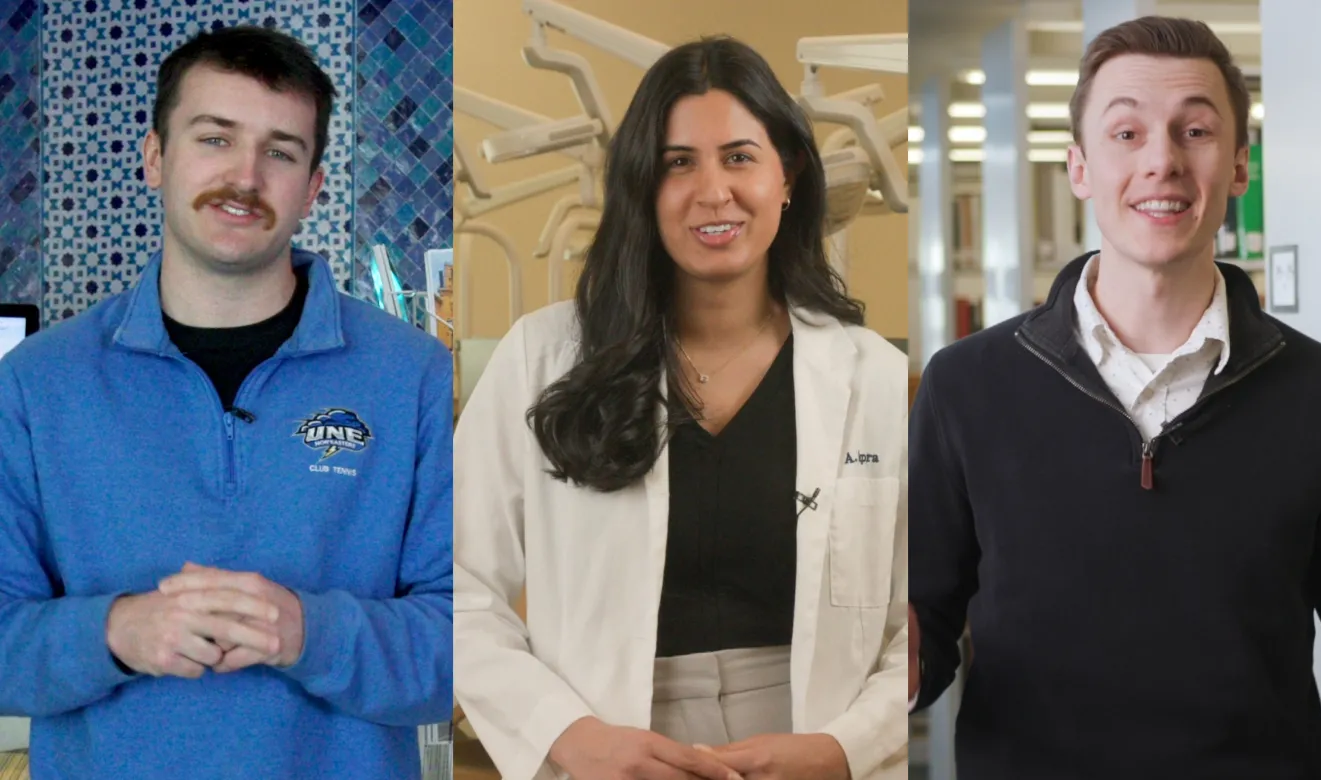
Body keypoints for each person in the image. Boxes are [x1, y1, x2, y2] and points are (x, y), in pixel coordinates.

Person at [909, 15, 1321, 778]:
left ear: (1241, 167)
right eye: (1126, 134)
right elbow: (923, 635)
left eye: (1196, 132)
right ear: (1079, 168)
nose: (1162, 161)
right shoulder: (965, 386)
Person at [0, 25, 454, 779]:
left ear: (312, 186)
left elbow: (467, 649)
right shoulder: (34, 383)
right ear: (155, 157)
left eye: (280, 151)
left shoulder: (413, 378)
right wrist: (113, 632)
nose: (245, 177)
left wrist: (312, 631)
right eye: (214, 139)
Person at [453, 36, 908, 780]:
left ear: (787, 175)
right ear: (642, 187)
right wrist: (570, 736)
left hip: (813, 743)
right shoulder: (540, 359)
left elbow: (918, 621)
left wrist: (842, 748)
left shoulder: (876, 380)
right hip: (613, 746)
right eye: (678, 163)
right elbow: (459, 587)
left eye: (738, 157)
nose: (712, 191)